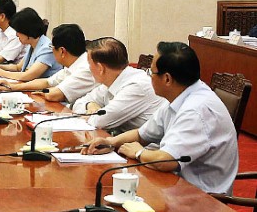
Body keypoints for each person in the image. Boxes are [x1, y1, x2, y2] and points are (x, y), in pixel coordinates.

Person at [86, 42, 238, 194]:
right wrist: (110, 142)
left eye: (151, 72)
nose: (148, 77)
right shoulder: (181, 95)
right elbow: (142, 134)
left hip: (200, 199)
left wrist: (139, 153)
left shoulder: (196, 110)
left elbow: (166, 161)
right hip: (176, 185)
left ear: (167, 79)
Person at [72, 36, 164, 134]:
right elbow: (78, 104)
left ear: (100, 68)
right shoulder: (112, 81)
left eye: (89, 64)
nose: (89, 68)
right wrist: (90, 104)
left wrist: (90, 114)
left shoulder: (136, 86)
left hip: (148, 147)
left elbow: (99, 122)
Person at [0, 23, 96, 104]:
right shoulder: (73, 64)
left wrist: (44, 91)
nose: (51, 49)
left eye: (52, 46)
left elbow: (55, 95)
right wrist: (12, 86)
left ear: (62, 51)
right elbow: (47, 82)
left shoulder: (85, 68)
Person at [0, 7, 61, 82]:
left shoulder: (47, 49)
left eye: (18, 31)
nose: (17, 35)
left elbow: (28, 76)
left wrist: (1, 73)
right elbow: (18, 67)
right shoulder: (33, 45)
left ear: (27, 31)